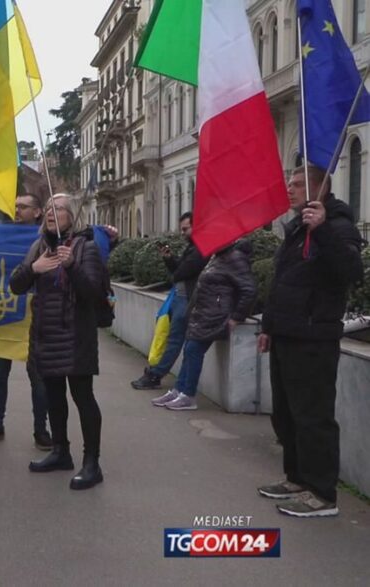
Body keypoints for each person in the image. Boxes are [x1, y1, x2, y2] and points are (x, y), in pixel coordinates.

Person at [258, 166, 364, 518]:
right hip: (287, 333)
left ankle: (321, 494)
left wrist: (321, 233)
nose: (289, 188)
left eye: (298, 183)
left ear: (320, 189)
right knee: (286, 413)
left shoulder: (337, 227)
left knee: (313, 417)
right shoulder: (295, 228)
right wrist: (268, 326)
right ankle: (296, 478)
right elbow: (282, 282)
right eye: (289, 182)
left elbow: (350, 272)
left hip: (313, 337)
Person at [10, 194, 108, 490]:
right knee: (54, 397)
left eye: (59, 209)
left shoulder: (85, 247)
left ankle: (92, 463)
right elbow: (16, 285)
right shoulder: (38, 247)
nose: (52, 213)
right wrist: (34, 269)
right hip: (46, 334)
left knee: (82, 397)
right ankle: (60, 451)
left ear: (72, 216)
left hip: (76, 336)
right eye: (49, 208)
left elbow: (94, 293)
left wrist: (71, 266)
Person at [0, 193, 52, 451]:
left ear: (38, 211)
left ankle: (41, 429)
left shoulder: (47, 239)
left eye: (23, 206)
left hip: (34, 318)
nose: (16, 210)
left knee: (38, 377)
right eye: (15, 205)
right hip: (2, 315)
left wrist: (110, 238)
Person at [150, 239, 256, 410]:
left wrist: (237, 316)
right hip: (203, 313)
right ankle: (179, 390)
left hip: (216, 315)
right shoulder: (217, 256)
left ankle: (188, 394)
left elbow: (249, 289)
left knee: (193, 350)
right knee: (189, 349)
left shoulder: (235, 258)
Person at [131, 213, 210, 390]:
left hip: (187, 300)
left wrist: (177, 269)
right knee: (167, 336)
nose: (182, 233)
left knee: (175, 340)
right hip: (179, 298)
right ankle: (156, 373)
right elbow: (178, 271)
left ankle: (156, 374)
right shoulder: (192, 247)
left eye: (185, 229)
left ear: (196, 227)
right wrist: (168, 258)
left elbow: (182, 272)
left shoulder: (200, 249)